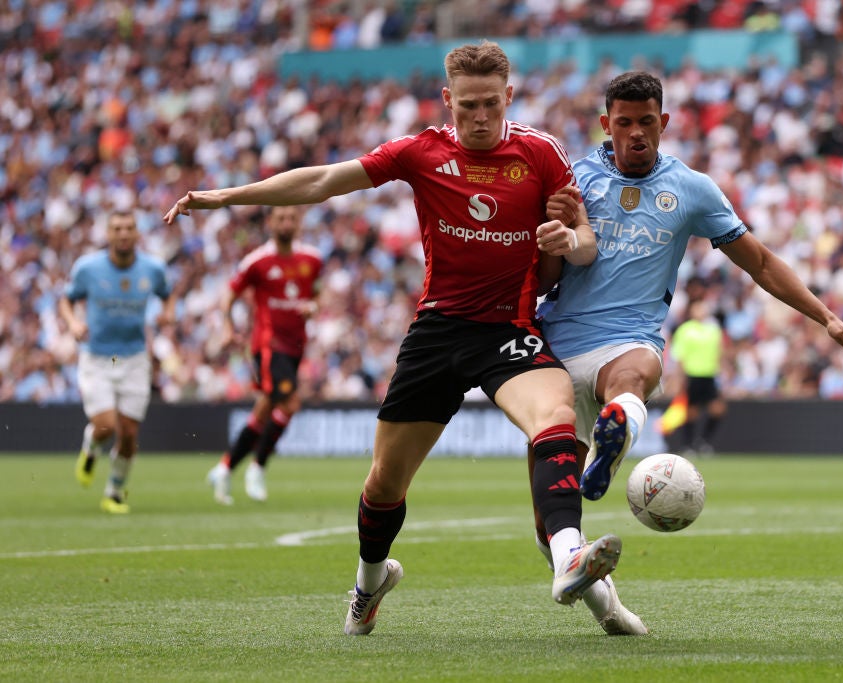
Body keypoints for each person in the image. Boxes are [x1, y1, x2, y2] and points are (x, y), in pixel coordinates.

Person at [164, 41, 631, 636]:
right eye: (468, 106)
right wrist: (228, 196)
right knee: (385, 482)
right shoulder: (421, 152)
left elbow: (586, 240)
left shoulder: (541, 155)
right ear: (447, 100)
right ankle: (370, 580)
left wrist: (569, 243)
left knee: (556, 414)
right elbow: (325, 181)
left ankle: (568, 551)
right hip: (437, 332)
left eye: (491, 103)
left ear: (509, 97)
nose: (480, 116)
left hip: (508, 329)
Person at [536, 69, 843, 507]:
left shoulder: (691, 190)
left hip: (628, 339)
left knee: (631, 377)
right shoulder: (573, 180)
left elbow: (761, 262)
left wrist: (827, 317)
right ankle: (574, 563)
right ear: (606, 125)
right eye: (625, 122)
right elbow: (542, 276)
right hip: (558, 343)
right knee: (553, 516)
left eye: (648, 121)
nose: (637, 132)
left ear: (665, 123)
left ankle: (619, 425)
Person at [60, 209, 176, 514]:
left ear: (137, 233)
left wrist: (168, 313)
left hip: (135, 357)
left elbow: (168, 294)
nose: (123, 234)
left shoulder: (152, 268)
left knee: (128, 434)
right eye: (117, 228)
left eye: (129, 228)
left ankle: (114, 492)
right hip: (99, 358)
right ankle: (90, 447)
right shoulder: (88, 268)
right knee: (105, 427)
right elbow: (66, 299)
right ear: (108, 234)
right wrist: (72, 323)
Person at [206, 206, 323, 505]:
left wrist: (313, 305)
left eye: (291, 218)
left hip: (296, 344)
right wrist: (229, 328)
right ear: (270, 223)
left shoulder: (312, 259)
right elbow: (228, 295)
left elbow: (317, 292)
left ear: (298, 223)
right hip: (268, 344)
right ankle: (257, 467)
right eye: (281, 218)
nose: (286, 223)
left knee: (265, 408)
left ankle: (225, 467)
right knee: (291, 402)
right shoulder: (257, 262)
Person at [668, 299, 727, 456]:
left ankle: (703, 441)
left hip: (710, 375)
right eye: (697, 308)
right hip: (692, 375)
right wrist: (679, 379)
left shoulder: (714, 330)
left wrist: (722, 375)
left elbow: (719, 354)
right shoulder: (685, 330)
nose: (701, 311)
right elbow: (679, 356)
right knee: (691, 412)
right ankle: (688, 445)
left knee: (718, 409)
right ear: (691, 311)